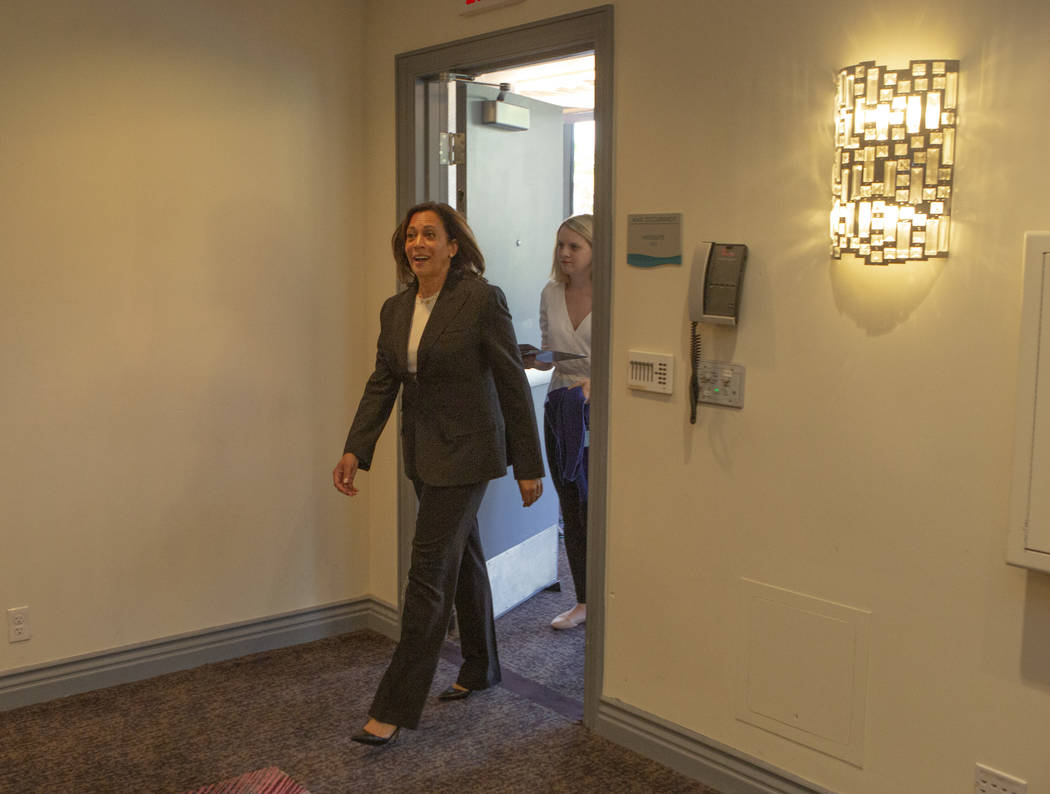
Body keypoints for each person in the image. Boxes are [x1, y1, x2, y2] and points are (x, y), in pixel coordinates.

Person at [332, 202, 545, 746]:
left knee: (427, 574)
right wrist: (357, 449)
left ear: (454, 245)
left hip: (468, 456)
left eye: (430, 234)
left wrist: (528, 464)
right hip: (423, 455)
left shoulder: (480, 299)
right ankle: (480, 667)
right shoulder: (396, 308)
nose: (417, 243)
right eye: (410, 235)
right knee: (463, 554)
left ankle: (393, 708)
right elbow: (384, 382)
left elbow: (511, 383)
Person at [525, 215, 592, 631]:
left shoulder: (615, 293)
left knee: (595, 506)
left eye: (574, 247)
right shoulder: (551, 293)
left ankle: (611, 597)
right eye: (560, 246)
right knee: (570, 504)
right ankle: (583, 600)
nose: (564, 254)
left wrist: (594, 384)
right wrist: (532, 360)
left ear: (594, 252)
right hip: (560, 404)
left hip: (599, 409)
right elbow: (552, 352)